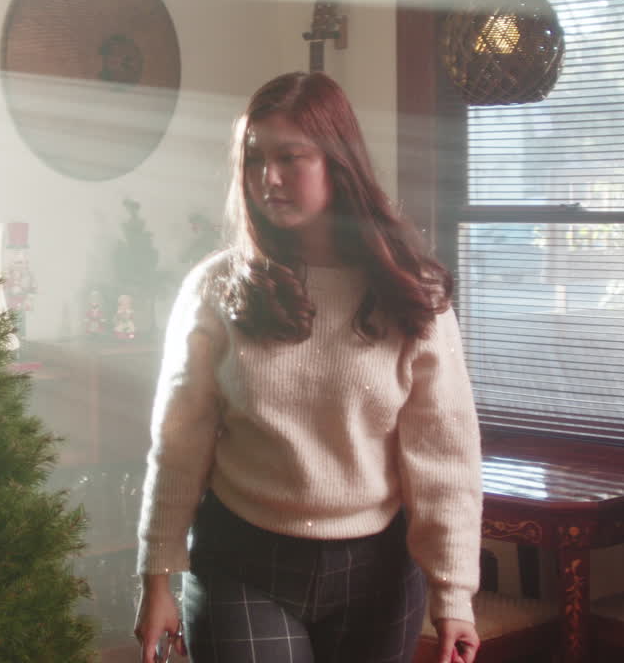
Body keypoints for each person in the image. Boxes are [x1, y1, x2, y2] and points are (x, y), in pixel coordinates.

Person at [133, 71, 482, 663]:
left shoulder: (412, 295)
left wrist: (455, 597)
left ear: (338, 163)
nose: (268, 178)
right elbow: (179, 442)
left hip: (378, 571)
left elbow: (444, 456)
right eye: (253, 160)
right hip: (243, 562)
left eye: (290, 158)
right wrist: (157, 577)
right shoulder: (216, 289)